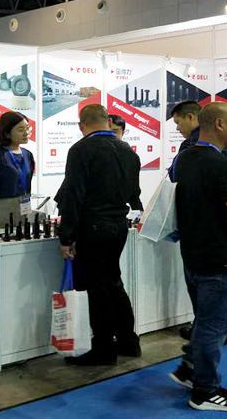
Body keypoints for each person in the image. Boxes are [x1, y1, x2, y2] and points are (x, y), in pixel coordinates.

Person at [168, 102, 227, 412]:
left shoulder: (185, 158)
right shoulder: (223, 165)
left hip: (192, 255)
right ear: (220, 124)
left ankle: (190, 369)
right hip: (220, 259)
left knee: (204, 320)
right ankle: (205, 391)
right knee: (215, 327)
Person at [56, 104, 142, 366]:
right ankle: (128, 340)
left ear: (81, 125)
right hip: (118, 225)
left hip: (93, 227)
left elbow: (74, 195)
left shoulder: (81, 150)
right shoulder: (127, 151)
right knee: (113, 282)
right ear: (107, 122)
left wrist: (66, 237)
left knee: (97, 288)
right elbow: (133, 193)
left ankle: (104, 348)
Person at [172, 100, 227, 201]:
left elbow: (176, 179)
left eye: (178, 122)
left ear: (190, 117)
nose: (177, 128)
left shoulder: (188, 145)